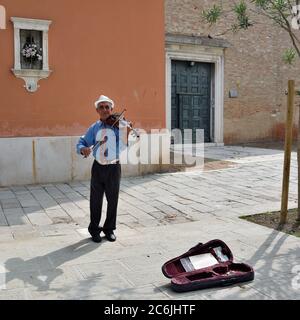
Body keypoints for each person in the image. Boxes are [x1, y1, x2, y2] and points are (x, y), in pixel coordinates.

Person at [76, 95, 129, 243]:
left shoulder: (120, 126)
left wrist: (125, 131)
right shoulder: (94, 128)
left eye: (107, 107)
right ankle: (94, 229)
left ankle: (109, 229)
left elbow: (124, 145)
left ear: (112, 109)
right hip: (98, 167)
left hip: (113, 167)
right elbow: (82, 142)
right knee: (95, 200)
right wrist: (83, 149)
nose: (105, 110)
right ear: (97, 110)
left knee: (113, 200)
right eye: (102, 107)